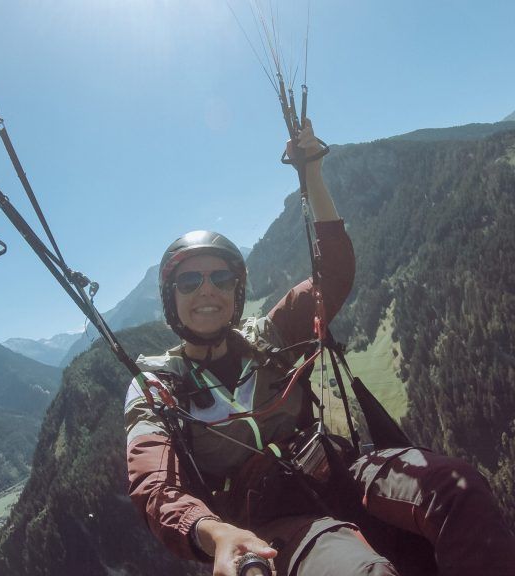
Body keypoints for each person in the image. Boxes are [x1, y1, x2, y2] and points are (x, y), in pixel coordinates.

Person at [124, 121, 515, 576]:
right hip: (274, 521)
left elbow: (332, 274)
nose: (206, 290)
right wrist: (214, 532)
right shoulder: (156, 385)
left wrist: (312, 175)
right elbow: (155, 486)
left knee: (458, 486)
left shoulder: (269, 335)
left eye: (221, 278)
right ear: (171, 298)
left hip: (342, 469)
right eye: (189, 281)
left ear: (237, 290)